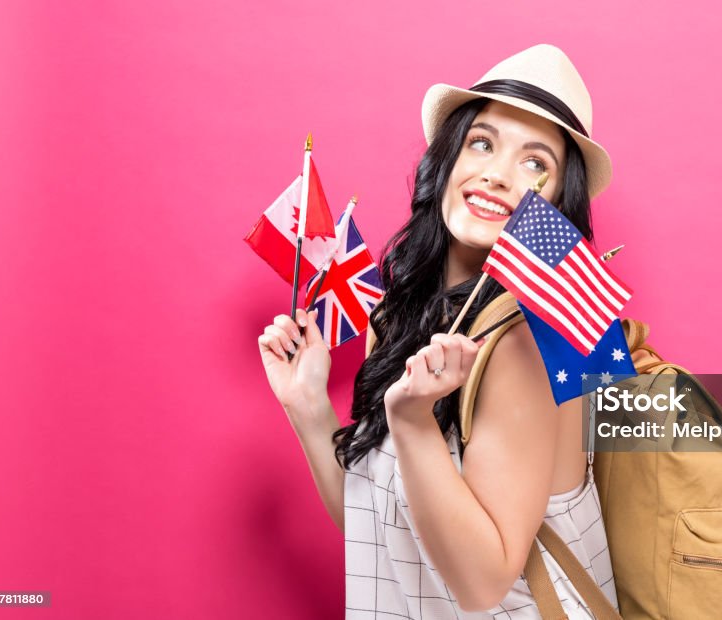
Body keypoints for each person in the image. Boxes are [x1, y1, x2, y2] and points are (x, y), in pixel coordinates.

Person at [258, 44, 618, 619]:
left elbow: (483, 584)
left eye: (535, 163)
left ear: (556, 200)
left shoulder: (524, 341)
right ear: (446, 159)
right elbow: (378, 530)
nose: (497, 175)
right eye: (482, 142)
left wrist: (412, 422)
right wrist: (307, 406)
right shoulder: (399, 317)